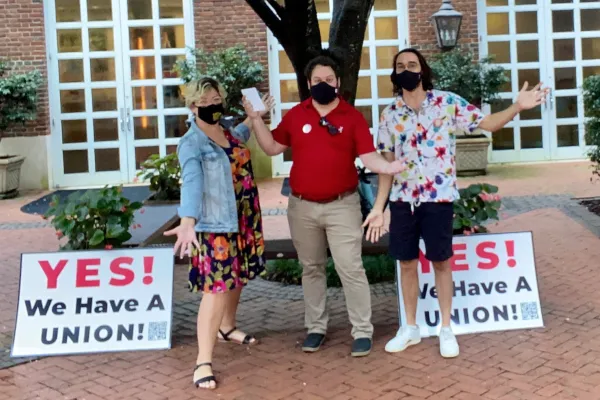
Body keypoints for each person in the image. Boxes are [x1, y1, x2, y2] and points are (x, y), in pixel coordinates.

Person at [363, 48, 549, 358]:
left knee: (441, 262)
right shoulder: (389, 114)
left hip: (438, 199)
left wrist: (517, 106)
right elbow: (386, 165)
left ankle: (446, 329)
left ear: (422, 70)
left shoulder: (447, 103)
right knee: (407, 264)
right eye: (400, 66)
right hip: (403, 201)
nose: (406, 69)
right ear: (394, 74)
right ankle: (410, 328)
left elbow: (487, 124)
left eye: (412, 64)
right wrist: (378, 208)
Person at [243, 53, 406, 358]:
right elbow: (272, 146)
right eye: (317, 81)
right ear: (308, 84)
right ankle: (316, 327)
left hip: (342, 205)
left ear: (338, 82)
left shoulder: (352, 116)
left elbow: (368, 156)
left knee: (351, 268)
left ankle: (362, 330)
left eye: (329, 80)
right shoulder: (296, 114)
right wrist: (255, 120)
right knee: (312, 268)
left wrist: (387, 168)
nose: (323, 85)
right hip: (302, 207)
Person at [164, 77, 274, 390]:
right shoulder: (191, 143)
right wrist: (188, 219)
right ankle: (203, 361)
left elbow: (241, 134)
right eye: (207, 101)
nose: (214, 105)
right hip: (216, 227)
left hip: (243, 217)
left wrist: (255, 117)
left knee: (238, 276)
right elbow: (192, 181)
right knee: (216, 289)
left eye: (217, 99)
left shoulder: (226, 131)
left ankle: (227, 327)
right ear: (192, 106)